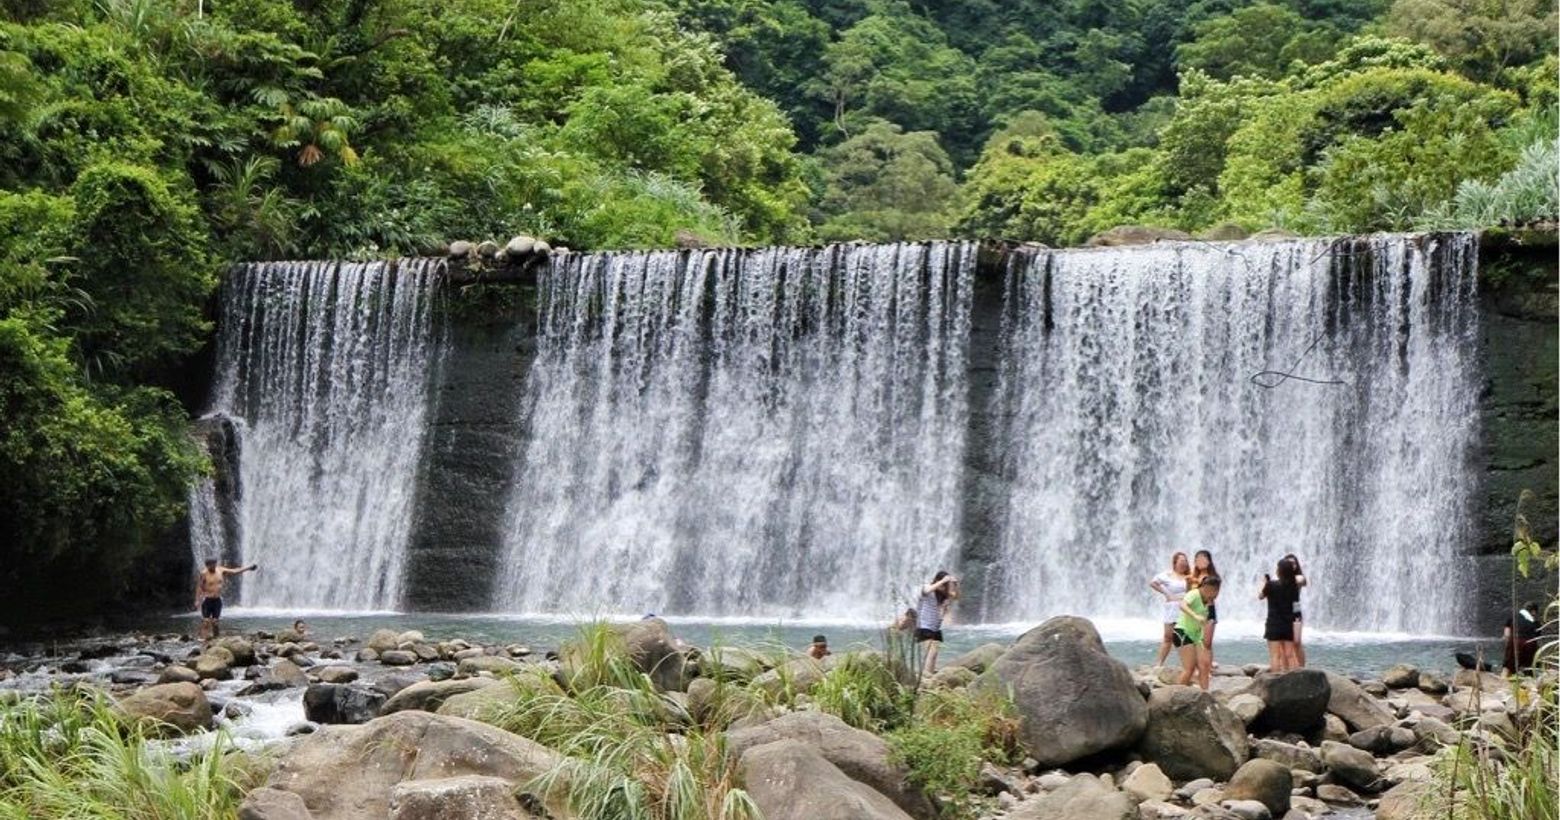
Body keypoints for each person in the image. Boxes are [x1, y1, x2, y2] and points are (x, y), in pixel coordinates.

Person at [1175, 576, 1221, 690]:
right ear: (1205, 587)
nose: (1214, 595)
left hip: (1197, 635)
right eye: (1212, 591)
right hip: (1182, 632)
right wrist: (1195, 616)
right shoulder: (1194, 594)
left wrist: (1207, 643)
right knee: (1189, 668)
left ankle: (1205, 693)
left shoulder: (1210, 602)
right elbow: (1182, 605)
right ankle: (1175, 693)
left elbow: (1211, 621)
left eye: (1217, 592)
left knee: (1204, 667)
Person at [194, 558, 258, 640]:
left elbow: (234, 571)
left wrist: (248, 568)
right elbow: (199, 587)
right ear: (207, 566)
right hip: (207, 600)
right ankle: (203, 639)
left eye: (214, 564)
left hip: (217, 600)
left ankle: (216, 638)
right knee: (206, 621)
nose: (213, 567)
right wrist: (197, 600)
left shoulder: (220, 570)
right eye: (210, 566)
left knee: (215, 622)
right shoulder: (204, 573)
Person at [1149, 552, 1192, 668]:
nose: (1184, 563)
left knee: (1184, 637)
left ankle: (1188, 664)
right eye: (1181, 561)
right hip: (1172, 608)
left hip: (1185, 607)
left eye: (1185, 561)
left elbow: (1191, 593)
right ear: (1175, 562)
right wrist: (1167, 594)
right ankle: (1159, 664)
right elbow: (1153, 583)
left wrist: (1189, 584)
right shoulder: (1167, 575)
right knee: (1168, 637)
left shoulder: (1189, 576)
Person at [916, 570, 959, 680]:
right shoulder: (928, 588)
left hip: (935, 628)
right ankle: (926, 677)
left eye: (946, 585)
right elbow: (926, 590)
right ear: (937, 580)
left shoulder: (943, 596)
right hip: (924, 626)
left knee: (934, 654)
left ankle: (929, 675)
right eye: (944, 585)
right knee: (931, 652)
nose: (944, 587)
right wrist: (943, 581)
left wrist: (955, 585)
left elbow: (956, 596)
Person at [1260, 558, 1301, 672]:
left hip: (1273, 624)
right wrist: (1297, 621)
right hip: (1288, 624)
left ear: (1279, 571)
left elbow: (1260, 596)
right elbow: (1296, 607)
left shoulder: (1270, 585)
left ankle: (1276, 679)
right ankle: (1295, 678)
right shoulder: (1294, 587)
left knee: (1275, 656)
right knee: (1290, 655)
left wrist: (1263, 583)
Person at [1192, 550, 1221, 669]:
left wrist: (1200, 584)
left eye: (1203, 559)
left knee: (1207, 642)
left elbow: (1213, 595)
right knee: (1195, 641)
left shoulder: (1214, 578)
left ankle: (1207, 667)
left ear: (1209, 561)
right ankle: (1198, 665)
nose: (1200, 562)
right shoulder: (1192, 577)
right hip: (1194, 611)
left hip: (1208, 610)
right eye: (1197, 559)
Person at [1503, 601, 1541, 674]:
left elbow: (1506, 634)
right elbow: (1536, 638)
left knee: (1508, 667)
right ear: (1533, 611)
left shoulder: (1513, 617)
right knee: (1528, 668)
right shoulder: (1536, 623)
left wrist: (1508, 648)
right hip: (1530, 646)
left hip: (1515, 643)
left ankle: (1504, 678)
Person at [1284, 553, 1308, 667]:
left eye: (1294, 563)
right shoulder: (1279, 578)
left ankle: (1302, 668)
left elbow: (1302, 581)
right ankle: (1287, 667)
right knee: (1284, 641)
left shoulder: (1299, 577)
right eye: (1289, 563)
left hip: (1295, 611)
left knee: (1297, 641)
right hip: (1282, 611)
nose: (1292, 565)